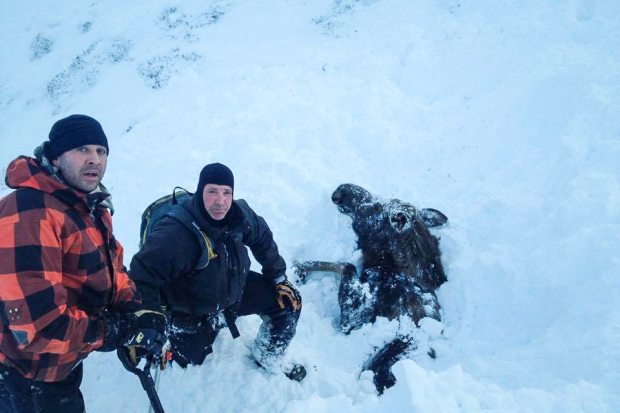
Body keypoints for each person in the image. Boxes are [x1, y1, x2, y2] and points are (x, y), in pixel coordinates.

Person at [0, 115, 167, 413]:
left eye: (101, 151)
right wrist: (118, 330)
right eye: (82, 149)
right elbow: (40, 328)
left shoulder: (89, 207)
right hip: (28, 377)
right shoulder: (30, 212)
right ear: (56, 157)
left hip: (63, 363)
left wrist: (135, 309)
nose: (94, 160)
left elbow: (114, 272)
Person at [129, 163, 306, 381]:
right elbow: (140, 276)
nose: (220, 201)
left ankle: (268, 356)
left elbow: (262, 237)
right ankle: (178, 340)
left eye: (226, 192)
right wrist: (149, 321)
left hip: (233, 289)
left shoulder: (239, 216)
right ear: (200, 191)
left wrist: (278, 276)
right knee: (190, 360)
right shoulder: (174, 234)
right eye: (212, 192)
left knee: (287, 304)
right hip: (191, 311)